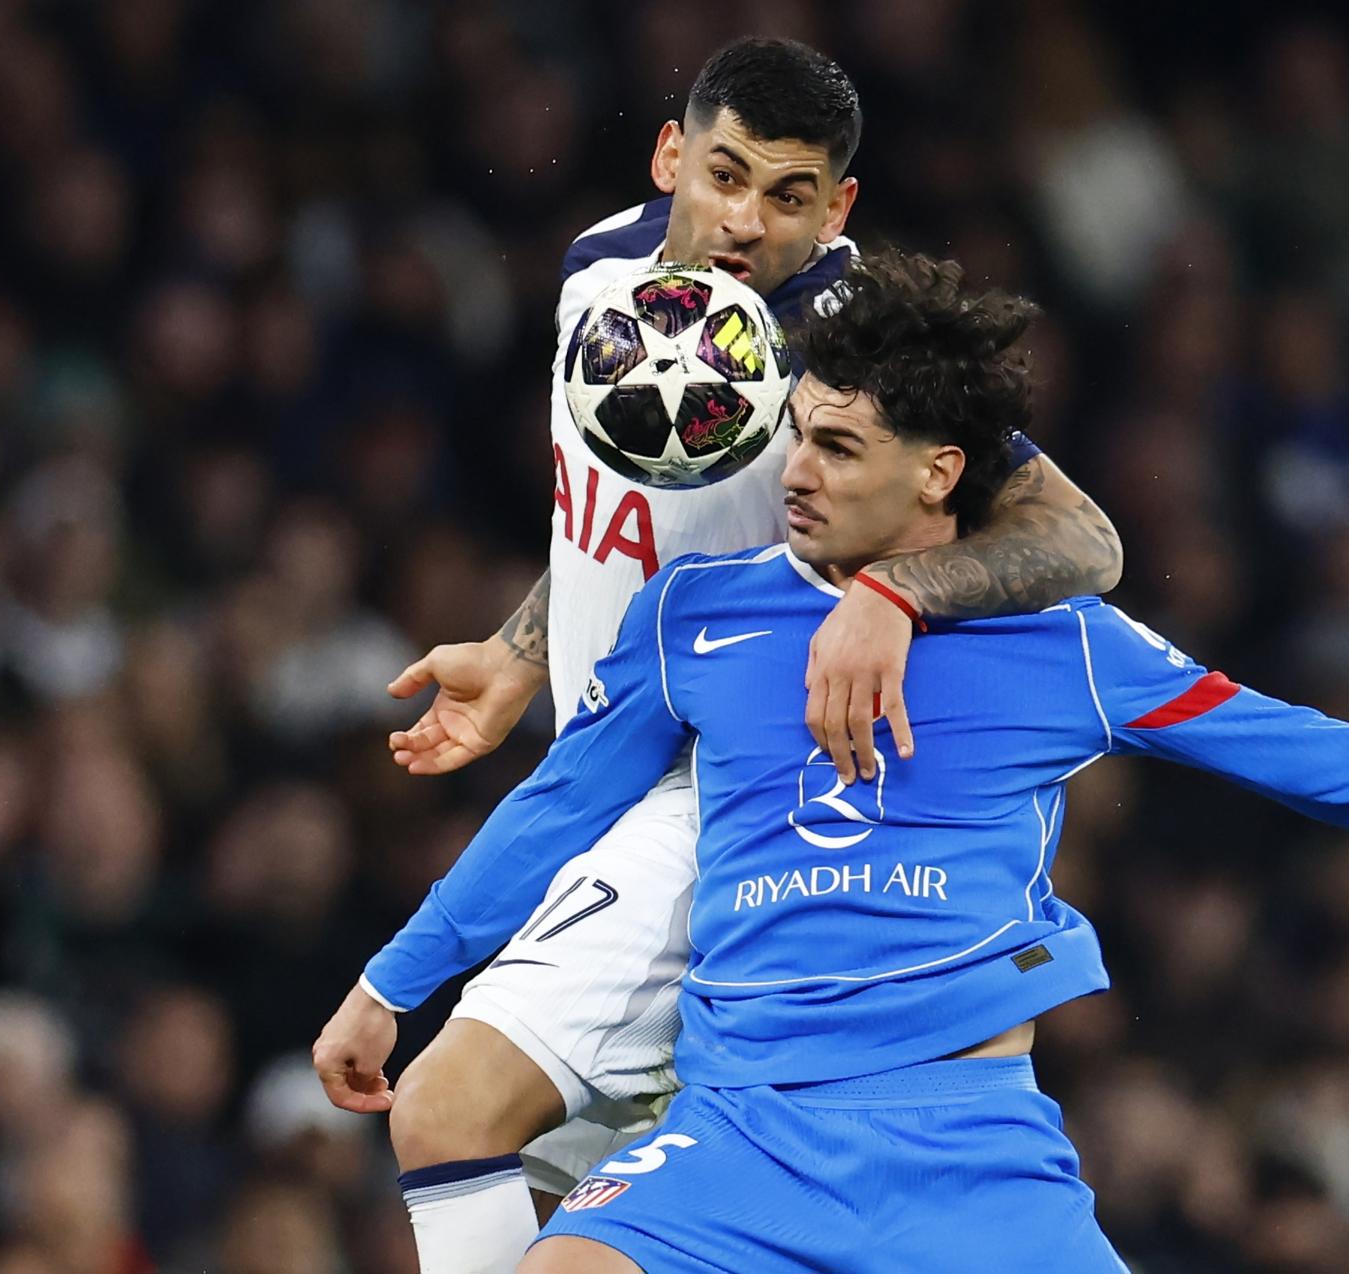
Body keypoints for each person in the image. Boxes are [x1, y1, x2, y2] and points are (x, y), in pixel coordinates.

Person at [348, 250, 1349, 1274]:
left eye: (837, 446)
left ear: (939, 472)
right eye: (793, 435)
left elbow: (1320, 757)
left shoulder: (1069, 644)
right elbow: (551, 812)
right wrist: (389, 987)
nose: (796, 472)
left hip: (963, 1151)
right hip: (740, 1131)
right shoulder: (694, 616)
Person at [307, 38, 1124, 1274]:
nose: (747, 221)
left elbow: (1083, 538)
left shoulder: (856, 352)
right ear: (669, 157)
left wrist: (896, 592)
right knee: (574, 1214)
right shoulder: (600, 270)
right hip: (603, 776)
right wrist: (527, 649)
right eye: (727, 176)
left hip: (727, 802)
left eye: (791, 196)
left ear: (837, 208)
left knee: (449, 1109)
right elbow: (650, 520)